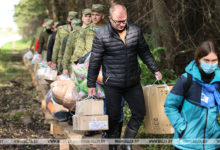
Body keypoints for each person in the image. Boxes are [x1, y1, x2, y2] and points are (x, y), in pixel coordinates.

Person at [87, 4, 162, 150]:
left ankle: (127, 141)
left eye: (124, 21)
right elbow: (95, 61)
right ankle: (113, 145)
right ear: (109, 19)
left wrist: (155, 69)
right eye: (118, 21)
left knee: (139, 112)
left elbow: (144, 52)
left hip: (132, 82)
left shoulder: (135, 31)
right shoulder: (101, 35)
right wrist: (91, 84)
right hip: (112, 83)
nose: (121, 24)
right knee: (114, 118)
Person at [164, 41, 220, 150]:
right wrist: (182, 128)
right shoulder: (187, 80)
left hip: (213, 144)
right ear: (199, 60)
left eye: (214, 61)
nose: (210, 64)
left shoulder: (218, 82)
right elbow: (170, 106)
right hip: (187, 145)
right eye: (206, 60)